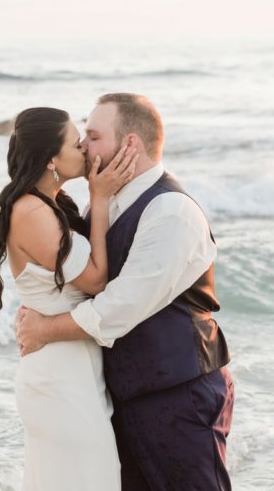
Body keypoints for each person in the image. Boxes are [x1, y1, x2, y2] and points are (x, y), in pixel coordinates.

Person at [16, 93, 234, 491]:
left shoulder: (170, 212)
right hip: (125, 398)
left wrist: (44, 329)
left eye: (94, 136)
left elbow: (118, 308)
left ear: (130, 143)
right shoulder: (106, 202)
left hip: (178, 395)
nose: (84, 146)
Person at [0, 107, 138, 491]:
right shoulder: (32, 211)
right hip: (58, 379)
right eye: (76, 143)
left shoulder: (51, 206)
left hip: (74, 371)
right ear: (53, 159)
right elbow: (95, 281)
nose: (85, 149)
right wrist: (99, 196)